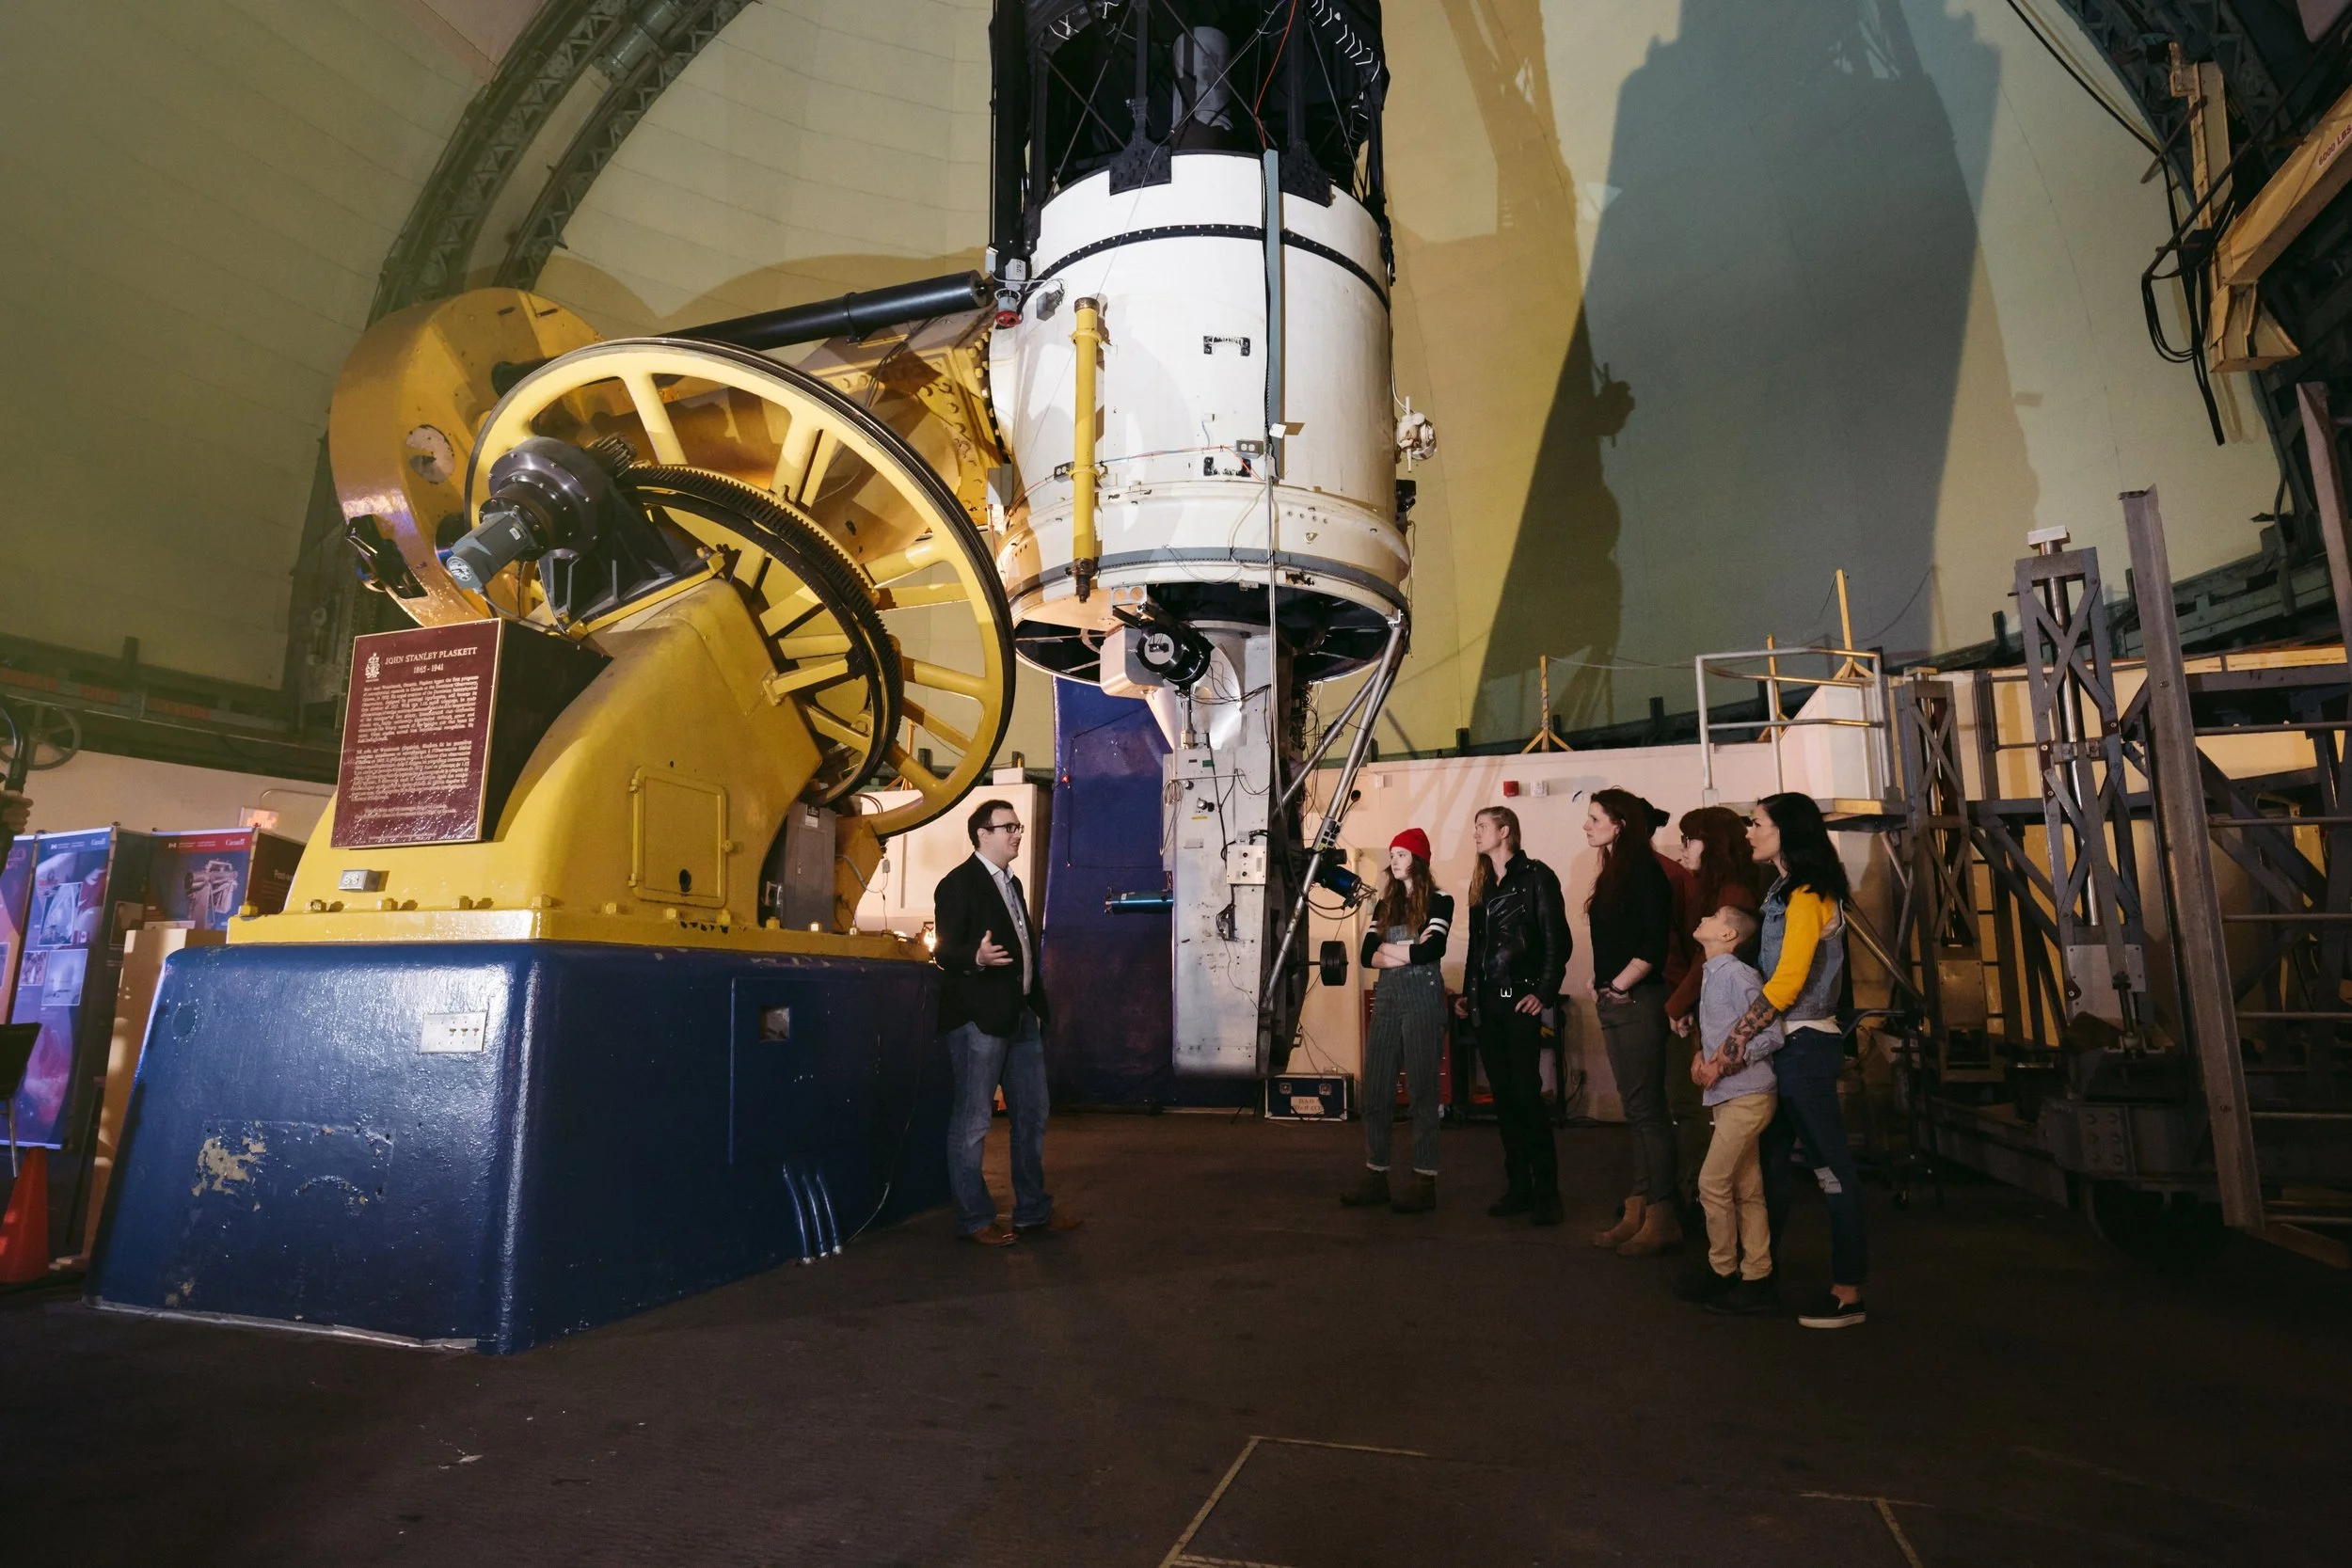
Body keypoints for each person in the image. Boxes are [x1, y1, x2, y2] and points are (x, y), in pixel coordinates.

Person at [1722, 791, 1867, 1327]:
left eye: (1757, 823)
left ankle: (1848, 1292)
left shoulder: (1806, 895)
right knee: (1769, 1168)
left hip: (1805, 1046)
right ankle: (1757, 1275)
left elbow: (1788, 980)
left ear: (1787, 830)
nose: (1749, 832)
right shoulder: (1784, 891)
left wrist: (1734, 1040)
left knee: (1831, 1170)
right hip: (1787, 1045)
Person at [933, 798, 1079, 1247]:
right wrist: (975, 957)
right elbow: (944, 949)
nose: (1018, 833)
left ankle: (1033, 1211)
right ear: (983, 834)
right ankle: (975, 1218)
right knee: (973, 1122)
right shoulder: (959, 885)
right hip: (979, 1021)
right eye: (1009, 827)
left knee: (1032, 1115)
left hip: (1020, 1019)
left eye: (1018, 826)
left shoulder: (1010, 884)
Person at [1454, 805, 1571, 1226]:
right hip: (1488, 1002)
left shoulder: (1537, 877)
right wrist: (1469, 994)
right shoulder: (1482, 883)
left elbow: (1557, 940)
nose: (1475, 834)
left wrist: (1543, 993)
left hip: (1520, 1000)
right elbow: (1476, 946)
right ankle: (1519, 1186)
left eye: (1481, 827)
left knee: (1525, 1095)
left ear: (1505, 831)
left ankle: (1547, 1192)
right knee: (1504, 1098)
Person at [1582, 788, 1682, 1257]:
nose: (1587, 825)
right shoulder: (1617, 872)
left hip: (1637, 1001)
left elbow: (1651, 945)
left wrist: (1619, 985)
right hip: (1620, 998)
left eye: (1595, 817)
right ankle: (1640, 1206)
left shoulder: (1644, 872)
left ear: (1619, 824)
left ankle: (1661, 1213)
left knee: (1648, 1111)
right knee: (1637, 1109)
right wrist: (1601, 978)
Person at [1340, 828, 1454, 1214]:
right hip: (1387, 999)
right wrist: (1405, 949)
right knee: (1376, 1091)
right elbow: (1366, 955)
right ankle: (1376, 1175)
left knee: (1422, 1092)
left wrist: (1390, 950)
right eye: (1392, 854)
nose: (1395, 861)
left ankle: (1424, 1180)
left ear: (1419, 860)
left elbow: (1432, 950)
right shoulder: (1384, 906)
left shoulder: (1441, 901)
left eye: (1402, 854)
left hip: (1422, 999)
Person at [1676, 904, 1783, 1315]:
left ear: (1728, 937)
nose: (1705, 916)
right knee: (1746, 1188)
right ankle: (1757, 1273)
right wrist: (1700, 1057)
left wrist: (1721, 1063)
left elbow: (1771, 1034)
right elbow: (1721, 1033)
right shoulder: (1713, 974)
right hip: (1733, 1096)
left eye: (1716, 915)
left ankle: (1722, 1270)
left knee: (1712, 1184)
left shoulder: (1738, 975)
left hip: (1748, 1095)